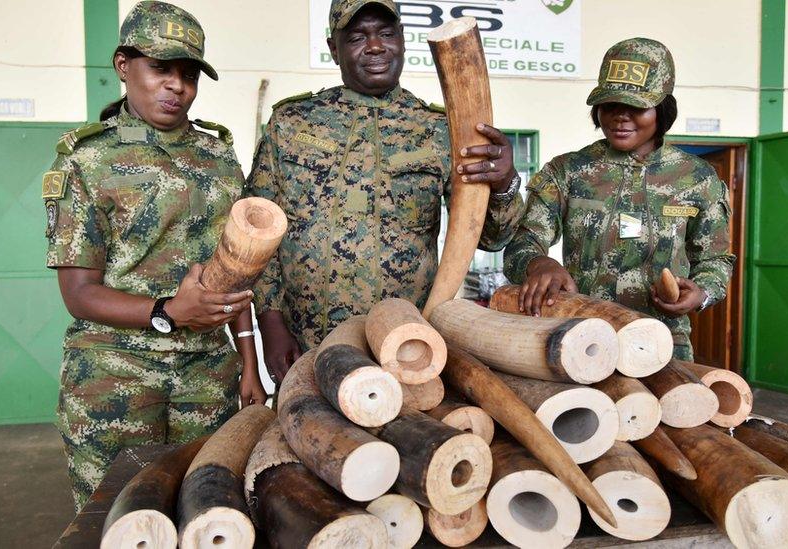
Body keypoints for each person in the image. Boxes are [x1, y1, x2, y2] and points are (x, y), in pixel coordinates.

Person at [43, 1, 266, 510]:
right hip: (114, 374)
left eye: (189, 74)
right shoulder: (87, 160)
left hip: (206, 375)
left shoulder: (217, 156)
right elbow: (79, 294)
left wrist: (250, 362)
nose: (176, 86)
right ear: (124, 66)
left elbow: (235, 271)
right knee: (114, 517)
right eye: (161, 68)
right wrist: (169, 311)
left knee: (202, 509)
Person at [246, 0, 525, 381]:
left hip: (407, 347)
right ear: (334, 49)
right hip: (306, 344)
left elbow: (491, 238)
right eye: (357, 37)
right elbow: (258, 228)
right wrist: (271, 323)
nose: (375, 46)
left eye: (386, 33)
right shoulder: (292, 123)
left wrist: (504, 183)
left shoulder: (440, 130)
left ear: (403, 41)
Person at [503, 38, 735, 361]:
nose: (620, 117)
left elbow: (716, 261)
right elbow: (522, 242)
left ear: (662, 108)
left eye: (636, 107)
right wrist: (539, 264)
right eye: (610, 105)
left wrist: (702, 292)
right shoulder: (568, 171)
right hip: (581, 340)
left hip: (662, 344)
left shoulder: (697, 178)